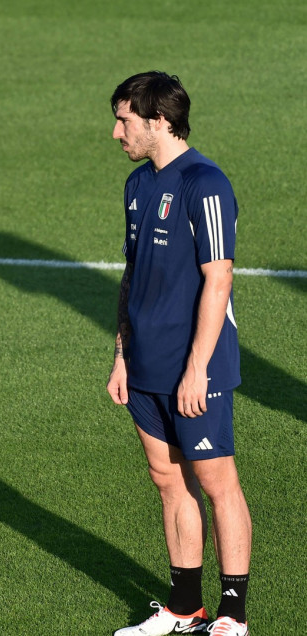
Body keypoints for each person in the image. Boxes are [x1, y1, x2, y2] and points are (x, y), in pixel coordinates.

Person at [107, 71, 252, 636]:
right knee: (168, 480)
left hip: (198, 367)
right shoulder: (138, 185)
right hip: (144, 364)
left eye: (125, 119)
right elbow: (132, 274)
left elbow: (218, 280)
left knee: (217, 482)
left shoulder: (206, 184)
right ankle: (184, 607)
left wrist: (196, 369)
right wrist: (122, 353)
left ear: (159, 120)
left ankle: (232, 613)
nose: (116, 132)